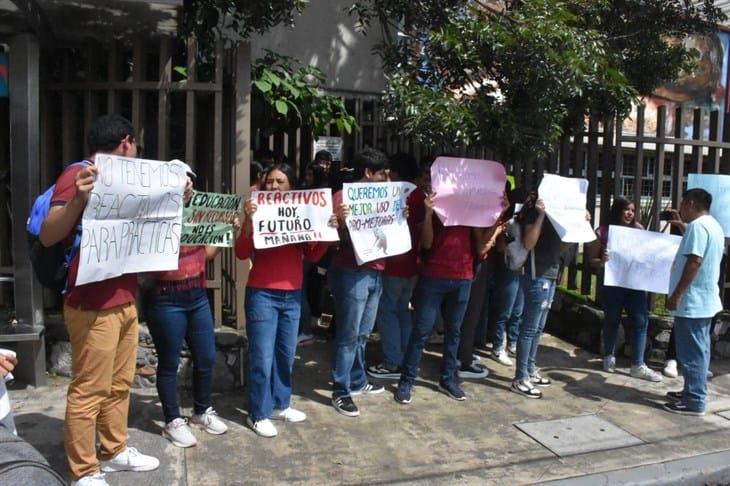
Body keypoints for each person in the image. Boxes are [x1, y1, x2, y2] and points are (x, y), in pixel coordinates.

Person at [40, 115, 183, 486]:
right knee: (90, 389)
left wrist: (176, 196)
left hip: (124, 300)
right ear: (126, 142)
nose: (136, 151)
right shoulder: (80, 175)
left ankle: (114, 450)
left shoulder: (129, 180)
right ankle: (84, 470)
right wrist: (78, 202)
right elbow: (48, 235)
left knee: (120, 384)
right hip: (90, 303)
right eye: (134, 145)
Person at [236, 163, 336, 436]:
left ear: (291, 187)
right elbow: (242, 253)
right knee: (262, 357)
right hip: (262, 295)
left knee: (285, 355)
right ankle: (257, 413)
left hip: (292, 295)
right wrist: (246, 222)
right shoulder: (256, 213)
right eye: (270, 181)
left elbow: (314, 255)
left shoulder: (301, 213)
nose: (274, 186)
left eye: (281, 181)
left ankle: (281, 404)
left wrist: (327, 231)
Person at [394, 191, 496, 405]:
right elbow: (427, 243)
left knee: (454, 332)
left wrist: (498, 215)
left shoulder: (470, 209)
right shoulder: (434, 206)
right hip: (434, 276)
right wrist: (430, 213)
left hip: (463, 277)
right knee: (421, 330)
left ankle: (448, 379)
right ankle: (407, 380)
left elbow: (480, 246)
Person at [143, 230, 236, 447]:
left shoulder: (196, 215)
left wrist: (225, 232)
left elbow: (208, 253)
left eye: (189, 192)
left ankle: (201, 412)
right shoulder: (154, 210)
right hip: (164, 296)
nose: (187, 192)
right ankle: (172, 421)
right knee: (169, 362)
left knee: (206, 357)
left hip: (197, 294)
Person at [329, 149, 390, 417]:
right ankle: (340, 390)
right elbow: (330, 236)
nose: (387, 179)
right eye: (383, 174)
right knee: (348, 334)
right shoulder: (341, 199)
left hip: (376, 270)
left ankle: (356, 379)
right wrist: (340, 222)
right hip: (352, 273)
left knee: (363, 333)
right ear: (368, 173)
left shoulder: (385, 196)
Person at [511, 195, 580, 399]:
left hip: (550, 275)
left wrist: (578, 224)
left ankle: (530, 369)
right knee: (529, 328)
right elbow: (529, 242)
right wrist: (540, 215)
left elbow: (561, 247)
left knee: (539, 327)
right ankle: (520, 378)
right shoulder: (534, 212)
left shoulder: (556, 218)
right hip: (536, 275)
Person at [587, 196, 662, 382]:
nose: (630, 213)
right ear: (618, 210)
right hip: (612, 284)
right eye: (626, 209)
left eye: (633, 210)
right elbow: (591, 261)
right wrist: (603, 261)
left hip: (634, 284)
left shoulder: (639, 231)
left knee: (640, 320)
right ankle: (609, 356)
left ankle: (638, 364)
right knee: (612, 319)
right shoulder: (603, 231)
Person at [663, 188, 724, 416]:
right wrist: (681, 225)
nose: (680, 208)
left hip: (693, 302)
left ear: (690, 203)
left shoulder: (698, 227)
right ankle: (691, 390)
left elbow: (694, 261)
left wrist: (677, 294)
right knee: (700, 350)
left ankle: (694, 400)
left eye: (681, 204)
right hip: (705, 300)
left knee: (692, 353)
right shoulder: (712, 225)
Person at [367, 153, 426, 379]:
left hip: (392, 264)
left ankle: (393, 362)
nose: (386, 174)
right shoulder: (419, 195)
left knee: (388, 312)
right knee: (402, 311)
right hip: (412, 264)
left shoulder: (393, 193)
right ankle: (407, 359)